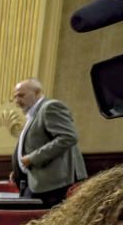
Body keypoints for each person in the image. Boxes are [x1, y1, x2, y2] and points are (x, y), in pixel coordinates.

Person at [10, 78, 87, 207]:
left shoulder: (50, 107)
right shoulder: (33, 114)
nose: (17, 101)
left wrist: (32, 158)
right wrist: (19, 170)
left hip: (54, 185)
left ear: (37, 92)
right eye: (15, 97)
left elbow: (68, 137)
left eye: (21, 95)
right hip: (38, 182)